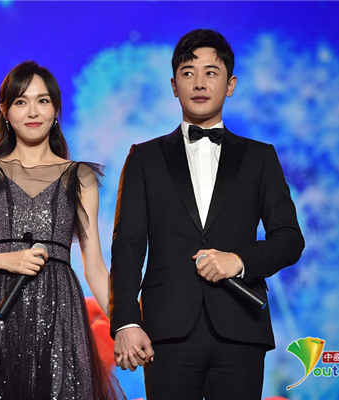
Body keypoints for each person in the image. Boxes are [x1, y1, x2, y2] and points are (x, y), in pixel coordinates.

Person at [110, 29, 305, 399]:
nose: (199, 83)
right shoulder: (144, 157)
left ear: (230, 85)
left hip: (241, 324)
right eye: (188, 73)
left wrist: (240, 261)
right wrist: (126, 322)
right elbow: (128, 246)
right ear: (174, 85)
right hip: (166, 329)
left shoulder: (260, 157)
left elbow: (289, 239)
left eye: (211, 72)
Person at [0, 61, 124, 399]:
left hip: (60, 313)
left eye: (43, 101)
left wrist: (127, 324)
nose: (33, 111)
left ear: (56, 109)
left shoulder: (80, 177)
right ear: (5, 111)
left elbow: (95, 267)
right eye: (21, 101)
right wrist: (3, 260)